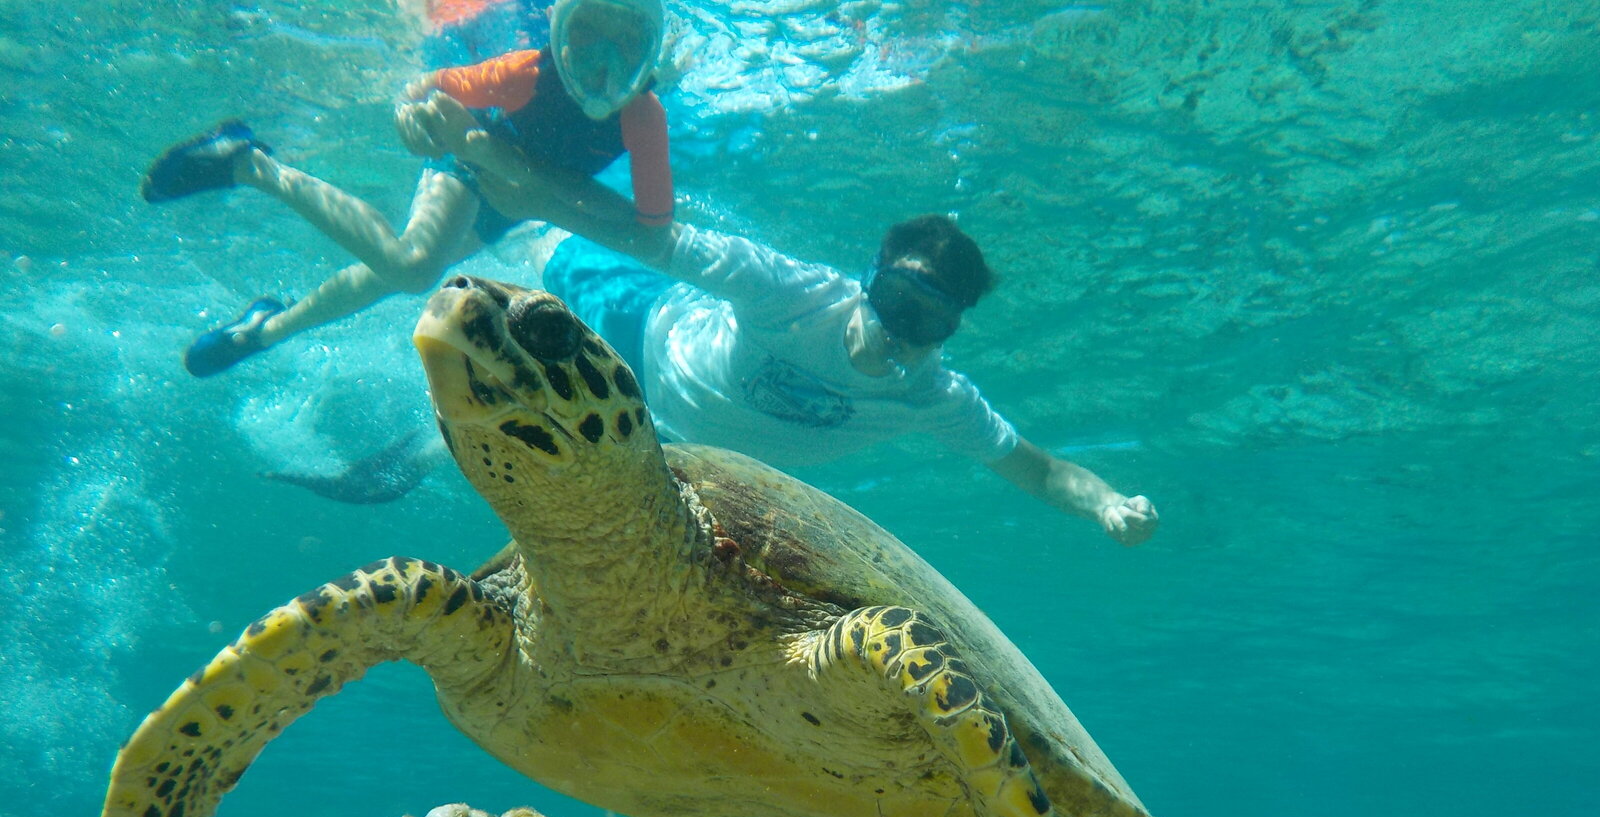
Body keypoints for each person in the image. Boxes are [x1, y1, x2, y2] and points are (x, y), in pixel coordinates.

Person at [402, 92, 1160, 544]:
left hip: (678, 444)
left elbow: (1039, 467)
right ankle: (509, 228)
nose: (900, 332)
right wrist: (521, 180)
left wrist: (1106, 505)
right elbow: (653, 238)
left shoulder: (935, 399)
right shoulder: (794, 292)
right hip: (641, 326)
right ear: (868, 285)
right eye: (896, 302)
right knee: (548, 261)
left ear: (947, 336)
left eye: (928, 324)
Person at [140, 0, 674, 379]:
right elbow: (429, 86)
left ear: (649, 57)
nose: (601, 67)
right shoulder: (528, 73)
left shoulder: (643, 117)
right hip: (468, 161)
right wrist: (411, 112)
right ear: (559, 29)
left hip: (506, 197)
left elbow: (650, 228)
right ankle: (250, 165)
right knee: (413, 266)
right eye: (586, 38)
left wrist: (535, 187)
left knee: (386, 277)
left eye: (625, 46)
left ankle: (262, 329)